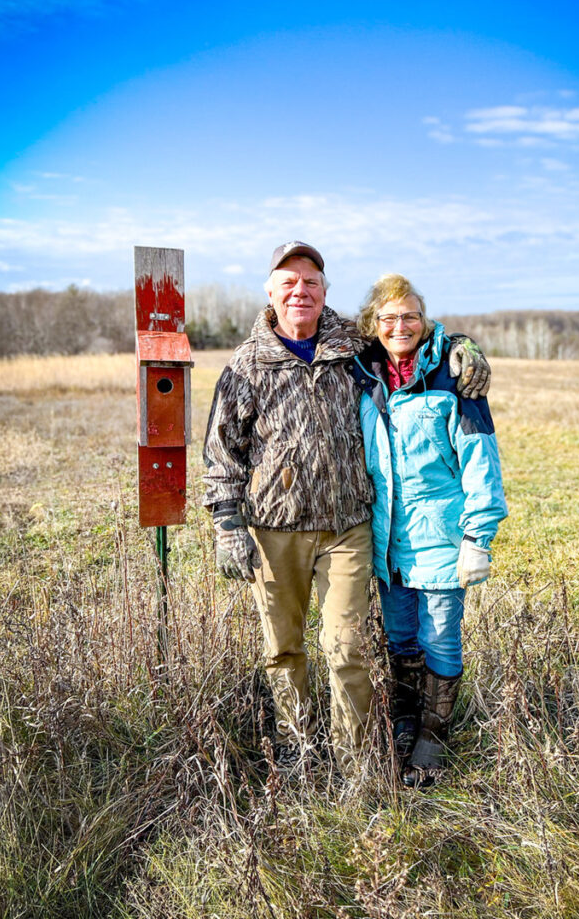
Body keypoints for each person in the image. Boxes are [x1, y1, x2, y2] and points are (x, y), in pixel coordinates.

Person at [203, 242, 491, 777]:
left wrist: (466, 348)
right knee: (283, 651)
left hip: (348, 529)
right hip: (274, 530)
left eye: (310, 281)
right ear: (270, 291)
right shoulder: (244, 366)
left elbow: (407, 334)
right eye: (288, 281)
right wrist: (227, 526)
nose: (300, 291)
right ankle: (298, 747)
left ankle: (355, 759)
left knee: (348, 649)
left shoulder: (350, 347)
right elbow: (222, 453)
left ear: (325, 291)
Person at [353, 273, 507, 787]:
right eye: (390, 317)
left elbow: (480, 456)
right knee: (400, 640)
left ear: (425, 321)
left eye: (411, 316)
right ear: (374, 324)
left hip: (441, 538)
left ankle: (432, 736)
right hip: (389, 542)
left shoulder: (453, 376)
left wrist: (476, 537)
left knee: (440, 639)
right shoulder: (363, 374)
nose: (402, 326)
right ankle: (402, 723)